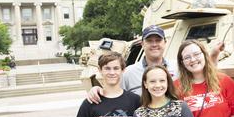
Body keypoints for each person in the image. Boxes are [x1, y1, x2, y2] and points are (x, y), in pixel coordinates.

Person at [87, 25, 223, 101]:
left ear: (164, 42)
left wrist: (213, 56)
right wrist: (97, 90)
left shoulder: (179, 68)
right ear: (142, 44)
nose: (154, 45)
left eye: (158, 40)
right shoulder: (129, 73)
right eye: (149, 41)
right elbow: (114, 95)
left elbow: (203, 79)